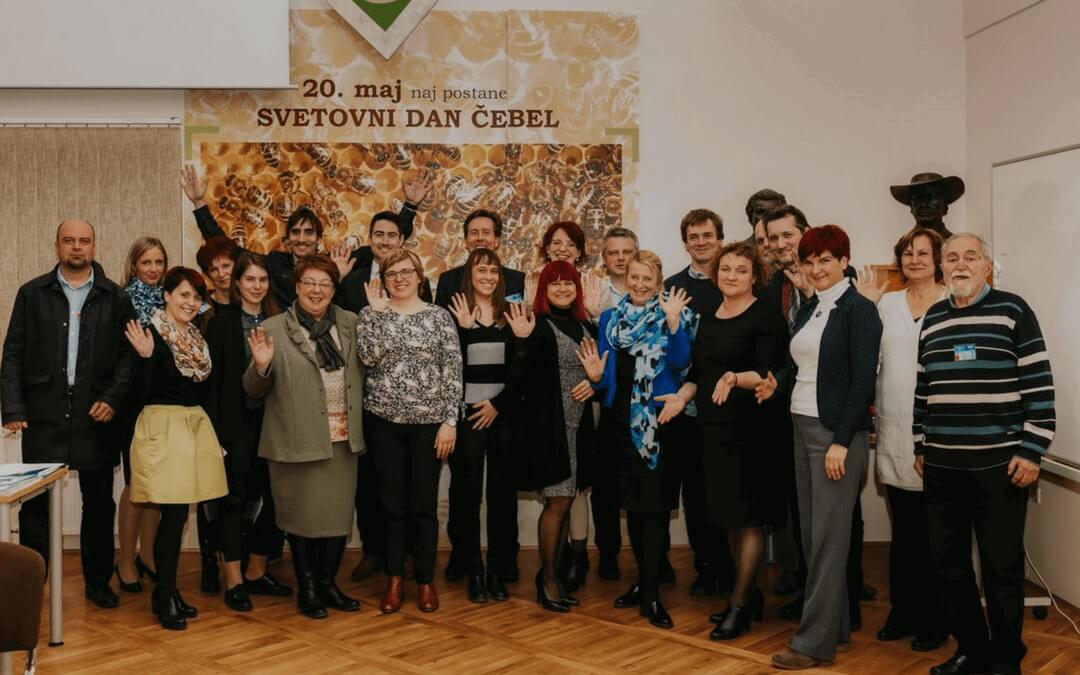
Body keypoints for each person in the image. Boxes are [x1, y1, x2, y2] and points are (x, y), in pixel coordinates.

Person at [914, 233, 1054, 675]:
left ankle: (1006, 657)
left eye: (970, 256)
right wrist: (920, 444)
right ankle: (972, 649)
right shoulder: (933, 318)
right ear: (941, 268)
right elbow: (923, 389)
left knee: (1002, 569)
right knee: (948, 567)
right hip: (942, 468)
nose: (960, 264)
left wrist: (1032, 451)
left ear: (986, 266)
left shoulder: (1013, 310)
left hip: (1000, 468)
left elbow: (1040, 386)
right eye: (951, 257)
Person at [757, 225, 882, 670]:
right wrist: (778, 385)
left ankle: (812, 644)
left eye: (825, 260)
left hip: (834, 436)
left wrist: (841, 442)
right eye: (809, 261)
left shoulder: (859, 310)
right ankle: (837, 626)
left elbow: (862, 382)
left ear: (844, 262)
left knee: (828, 542)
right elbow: (803, 367)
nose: (816, 268)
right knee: (813, 538)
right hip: (801, 426)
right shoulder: (813, 306)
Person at [2, 219, 134, 609]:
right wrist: (13, 407)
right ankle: (33, 585)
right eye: (69, 241)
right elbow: (13, 353)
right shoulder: (32, 293)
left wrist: (112, 398)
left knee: (99, 504)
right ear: (57, 246)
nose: (77, 247)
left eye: (84, 241)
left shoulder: (115, 296)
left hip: (97, 415)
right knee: (36, 506)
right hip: (44, 414)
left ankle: (98, 582)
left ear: (94, 246)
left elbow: (130, 357)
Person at [664, 241, 787, 640]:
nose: (731, 276)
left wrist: (735, 378)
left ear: (755, 277)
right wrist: (681, 397)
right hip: (713, 431)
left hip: (751, 430)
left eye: (740, 270)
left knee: (748, 518)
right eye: (726, 269)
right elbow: (699, 372)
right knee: (729, 517)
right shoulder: (710, 314)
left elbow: (767, 372)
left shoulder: (765, 314)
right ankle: (748, 594)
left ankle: (738, 605)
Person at [243, 254, 365, 620]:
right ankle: (308, 588)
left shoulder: (352, 323)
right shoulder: (273, 328)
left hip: (342, 439)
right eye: (309, 283)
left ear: (334, 289)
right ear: (296, 287)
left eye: (324, 284)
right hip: (295, 439)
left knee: (336, 518)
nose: (316, 290)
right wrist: (261, 366)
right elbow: (252, 389)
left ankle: (328, 583)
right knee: (300, 520)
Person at [579, 250, 696, 630]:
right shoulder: (610, 319)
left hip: (658, 423)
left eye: (648, 278)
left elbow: (681, 363)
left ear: (658, 281)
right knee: (632, 505)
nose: (640, 284)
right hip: (617, 425)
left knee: (654, 509)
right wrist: (596, 377)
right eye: (634, 277)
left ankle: (651, 594)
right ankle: (644, 584)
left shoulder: (673, 314)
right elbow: (606, 377)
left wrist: (674, 323)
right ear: (625, 278)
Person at [855, 228, 949, 652]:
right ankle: (903, 611)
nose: (915, 259)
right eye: (908, 253)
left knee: (936, 534)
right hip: (894, 431)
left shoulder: (952, 301)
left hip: (939, 433)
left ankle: (936, 619)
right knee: (905, 531)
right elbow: (869, 359)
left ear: (938, 260)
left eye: (923, 253)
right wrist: (866, 307)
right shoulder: (887, 303)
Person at [356, 249, 463, 614]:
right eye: (391, 274)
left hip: (428, 427)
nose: (399, 278)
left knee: (423, 506)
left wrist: (450, 421)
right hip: (383, 424)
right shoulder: (370, 314)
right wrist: (377, 314)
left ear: (419, 276)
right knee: (391, 505)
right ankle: (394, 580)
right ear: (383, 280)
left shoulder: (439, 316)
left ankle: (425, 580)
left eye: (406, 272)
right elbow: (368, 358)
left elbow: (452, 370)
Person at [124, 267, 228, 630]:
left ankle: (166, 590)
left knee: (178, 516)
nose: (191, 302)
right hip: (162, 428)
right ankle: (165, 594)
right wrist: (145, 357)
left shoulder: (196, 338)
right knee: (172, 516)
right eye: (184, 294)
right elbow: (139, 392)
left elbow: (202, 390)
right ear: (166, 295)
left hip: (193, 426)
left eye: (197, 297)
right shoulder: (150, 334)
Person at [336, 210, 431, 582]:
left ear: (402, 240)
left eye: (392, 234)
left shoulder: (417, 282)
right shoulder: (352, 280)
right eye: (379, 234)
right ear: (370, 238)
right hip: (365, 394)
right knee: (371, 481)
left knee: (411, 485)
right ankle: (373, 550)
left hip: (413, 406)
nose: (385, 240)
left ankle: (406, 555)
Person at [180, 164, 427, 307]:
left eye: (309, 232)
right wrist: (199, 203)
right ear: (288, 239)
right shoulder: (274, 264)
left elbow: (387, 245)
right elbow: (231, 251)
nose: (301, 238)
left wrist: (410, 206)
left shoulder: (338, 260)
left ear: (319, 239)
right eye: (296, 232)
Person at [202, 252, 292, 612]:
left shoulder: (281, 322)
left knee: (277, 498)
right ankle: (234, 579)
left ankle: (256, 571)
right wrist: (215, 434)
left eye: (262, 279)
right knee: (234, 502)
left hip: (275, 423)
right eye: (250, 279)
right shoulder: (221, 323)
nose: (257, 286)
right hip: (235, 427)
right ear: (237, 282)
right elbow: (213, 384)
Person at [510, 260, 597, 613]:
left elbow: (599, 371)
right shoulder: (537, 324)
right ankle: (547, 581)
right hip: (551, 428)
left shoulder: (585, 324)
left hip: (580, 426)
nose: (562, 289)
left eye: (569, 283)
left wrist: (594, 384)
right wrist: (521, 340)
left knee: (567, 500)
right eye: (554, 283)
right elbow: (520, 375)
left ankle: (553, 576)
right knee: (557, 502)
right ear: (543, 290)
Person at [662, 209, 733, 596]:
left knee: (728, 489)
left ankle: (735, 569)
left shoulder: (736, 280)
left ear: (720, 239)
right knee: (695, 491)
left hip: (732, 404)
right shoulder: (673, 288)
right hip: (688, 408)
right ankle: (707, 566)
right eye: (694, 236)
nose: (701, 242)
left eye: (708, 235)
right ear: (685, 243)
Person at [444, 248, 521, 603]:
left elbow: (520, 370)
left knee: (502, 496)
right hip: (468, 416)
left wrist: (497, 405)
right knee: (467, 494)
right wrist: (462, 331)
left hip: (503, 416)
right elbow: (450, 368)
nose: (488, 276)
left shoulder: (512, 314)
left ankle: (497, 569)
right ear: (469, 275)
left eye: (493, 270)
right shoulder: (456, 313)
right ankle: (473, 567)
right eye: (481, 270)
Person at [113, 237, 168, 595]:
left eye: (158, 262)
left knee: (157, 485)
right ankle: (124, 561)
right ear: (133, 265)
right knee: (136, 483)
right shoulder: (120, 301)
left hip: (164, 402)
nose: (153, 269)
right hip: (132, 404)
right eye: (146, 262)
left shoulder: (171, 299)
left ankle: (148, 555)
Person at [589, 226, 639, 581]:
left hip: (644, 404)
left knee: (641, 483)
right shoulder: (594, 294)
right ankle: (608, 553)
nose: (621, 258)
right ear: (604, 259)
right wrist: (593, 318)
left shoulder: (652, 291)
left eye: (627, 251)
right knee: (604, 485)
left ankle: (653, 557)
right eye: (614, 253)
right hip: (606, 399)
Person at [192, 233, 239, 590]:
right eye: (214, 269)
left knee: (240, 492)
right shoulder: (201, 312)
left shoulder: (250, 304)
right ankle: (210, 560)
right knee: (210, 491)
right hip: (208, 411)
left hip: (244, 410)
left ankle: (237, 558)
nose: (222, 273)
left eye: (227, 265)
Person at [434, 209, 526, 308]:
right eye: (474, 233)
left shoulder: (517, 280)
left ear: (496, 241)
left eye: (486, 232)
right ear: (466, 241)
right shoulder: (448, 280)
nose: (480, 238)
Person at [889, 172, 965, 240]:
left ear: (945, 206)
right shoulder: (904, 246)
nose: (923, 204)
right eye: (918, 198)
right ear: (911, 207)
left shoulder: (955, 244)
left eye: (931, 198)